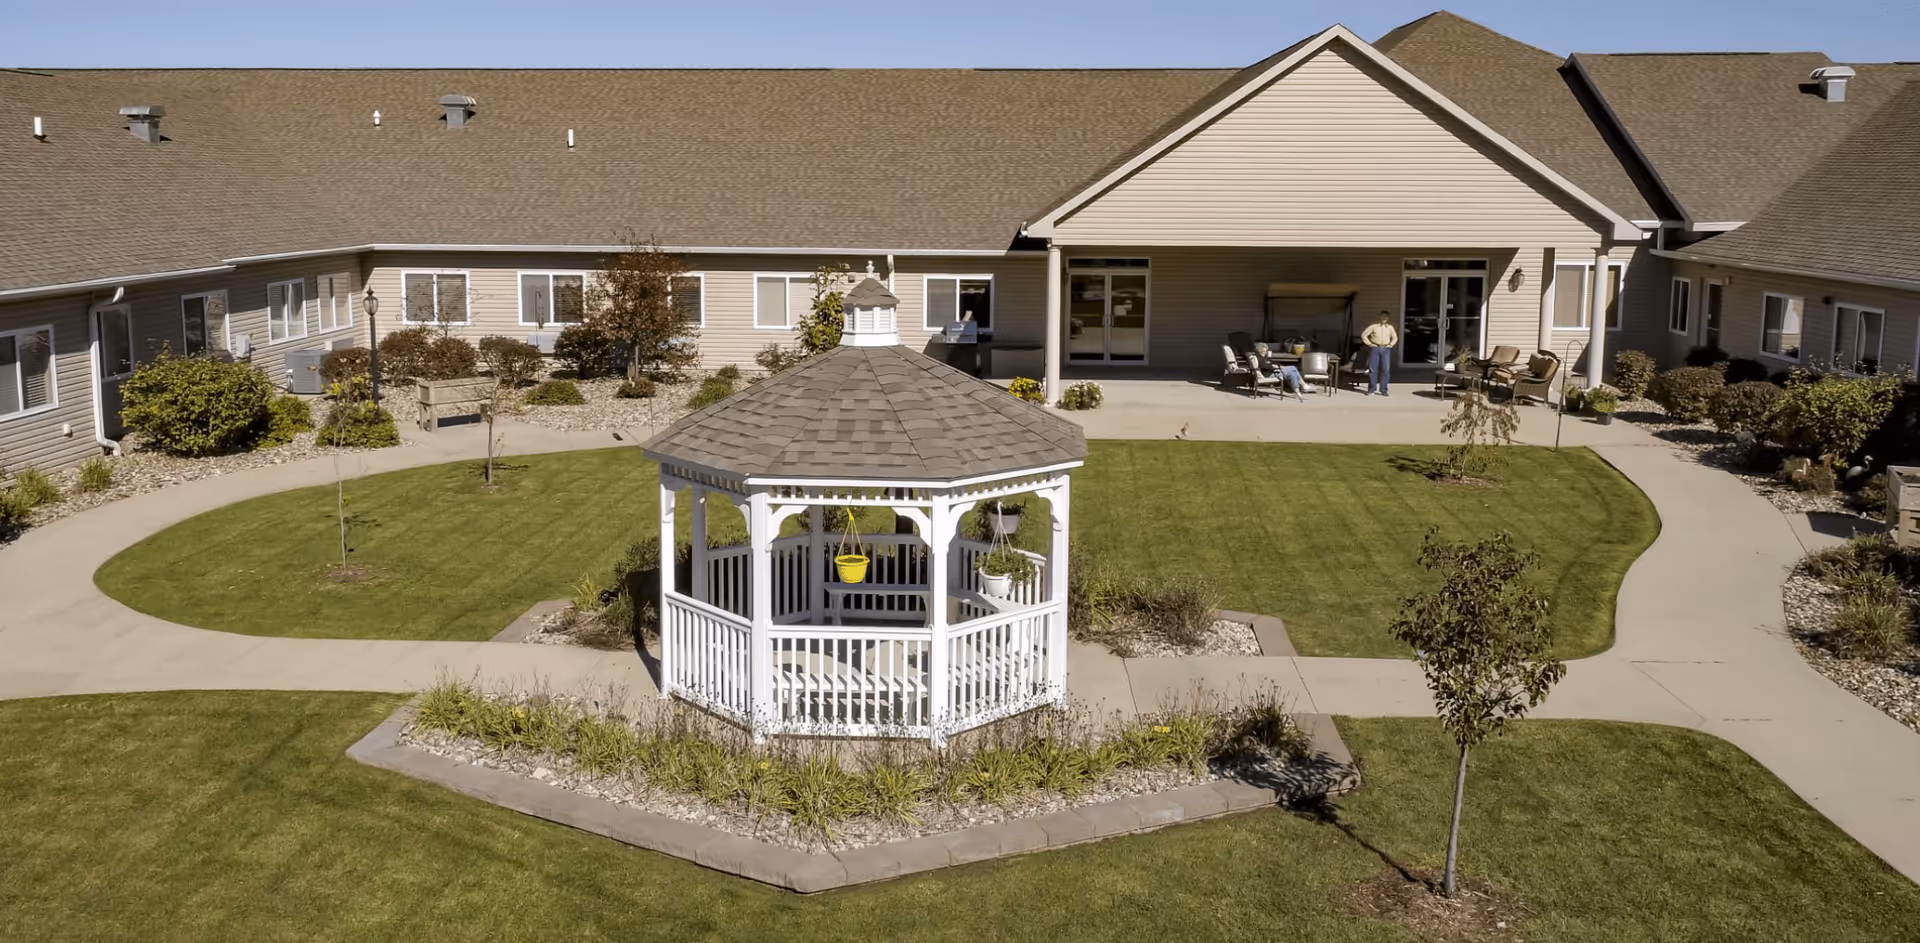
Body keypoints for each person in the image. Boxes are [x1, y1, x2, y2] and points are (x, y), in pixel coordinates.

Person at [1361, 312, 1399, 396]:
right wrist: (1370, 344)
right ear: (1379, 317)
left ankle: (1384, 390)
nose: (1384, 318)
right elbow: (1364, 335)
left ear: (1388, 318)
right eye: (1383, 316)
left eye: (1386, 317)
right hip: (1375, 348)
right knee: (1373, 369)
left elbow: (1395, 337)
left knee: (1385, 369)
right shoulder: (1373, 326)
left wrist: (1390, 345)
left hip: (1386, 349)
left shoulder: (1390, 328)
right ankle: (1372, 389)